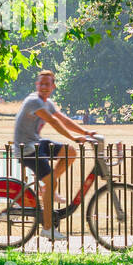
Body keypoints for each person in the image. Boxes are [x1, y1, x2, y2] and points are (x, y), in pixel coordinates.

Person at [13, 69, 99, 241]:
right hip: (27, 149)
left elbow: (63, 119)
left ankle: (46, 189)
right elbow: (53, 121)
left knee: (70, 152)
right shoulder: (33, 101)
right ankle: (47, 228)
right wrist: (73, 136)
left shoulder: (47, 103)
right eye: (41, 84)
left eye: (48, 84)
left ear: (53, 87)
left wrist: (85, 132)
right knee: (52, 180)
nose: (44, 87)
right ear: (37, 85)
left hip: (37, 143)